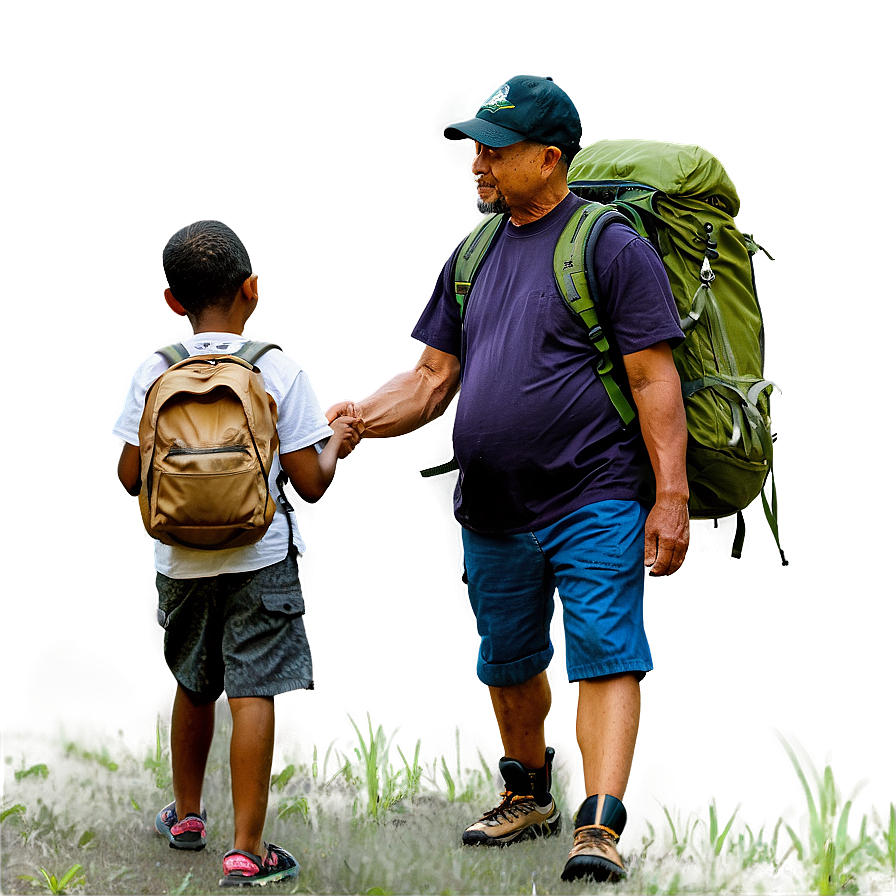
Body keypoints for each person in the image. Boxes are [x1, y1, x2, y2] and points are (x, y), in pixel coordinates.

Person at [327, 75, 689, 883]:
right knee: (508, 659)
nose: (478, 165)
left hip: (592, 492)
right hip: (491, 509)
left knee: (605, 653)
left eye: (495, 150)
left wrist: (670, 496)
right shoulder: (474, 250)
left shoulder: (610, 246)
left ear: (549, 158)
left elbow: (652, 378)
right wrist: (354, 419)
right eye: (475, 150)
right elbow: (428, 378)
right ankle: (528, 797)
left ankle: (599, 823)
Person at [112, 220, 359, 888]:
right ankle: (247, 851)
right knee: (252, 692)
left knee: (193, 680)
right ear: (253, 288)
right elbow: (311, 485)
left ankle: (188, 817)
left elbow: (129, 476)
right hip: (262, 557)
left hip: (177, 563)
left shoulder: (151, 369)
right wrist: (337, 439)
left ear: (173, 301)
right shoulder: (278, 367)